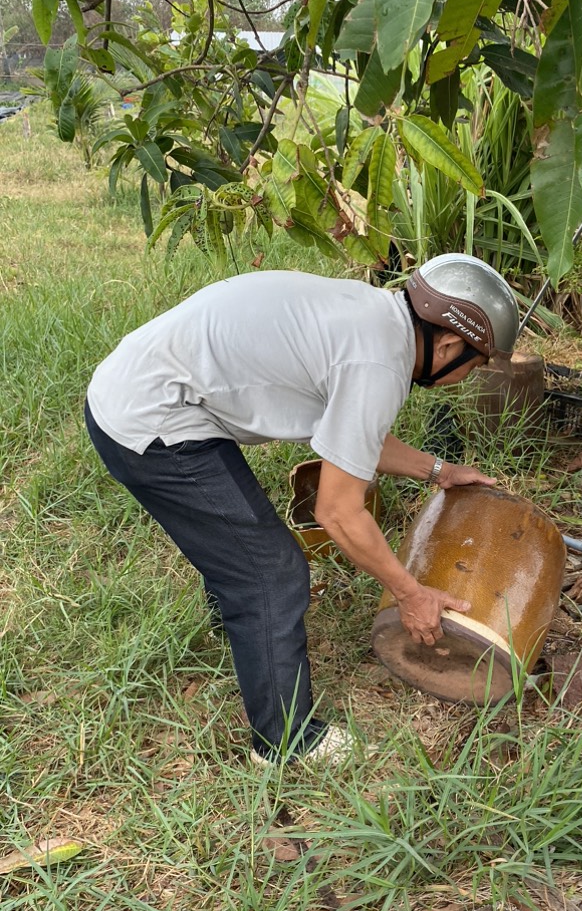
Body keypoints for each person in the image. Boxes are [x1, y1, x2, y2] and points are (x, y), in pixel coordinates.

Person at [84, 253, 520, 765]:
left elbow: (354, 436)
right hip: (152, 423)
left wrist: (438, 472)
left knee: (245, 554)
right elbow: (338, 512)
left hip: (145, 387)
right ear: (448, 344)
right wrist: (410, 593)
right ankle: (285, 743)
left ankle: (247, 626)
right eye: (476, 365)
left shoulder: (375, 318)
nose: (471, 377)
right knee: (271, 574)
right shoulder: (378, 362)